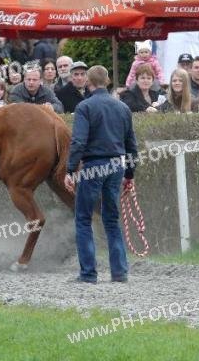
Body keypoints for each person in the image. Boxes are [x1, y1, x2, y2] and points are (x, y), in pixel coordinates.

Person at [64, 65, 137, 284]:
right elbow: (131, 145)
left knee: (83, 218)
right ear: (107, 81)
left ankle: (88, 273)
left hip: (93, 166)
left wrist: (70, 170)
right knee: (112, 219)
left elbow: (78, 142)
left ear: (88, 82)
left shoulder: (84, 107)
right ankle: (119, 272)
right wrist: (130, 174)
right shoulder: (122, 108)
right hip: (116, 166)